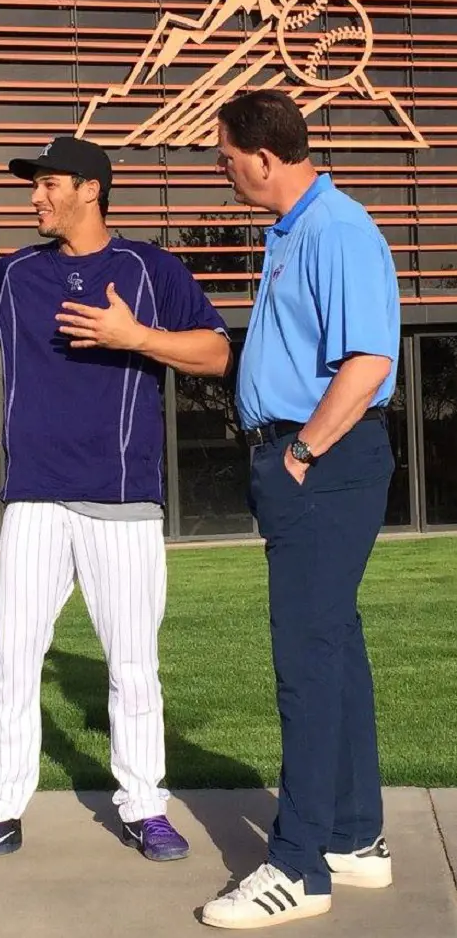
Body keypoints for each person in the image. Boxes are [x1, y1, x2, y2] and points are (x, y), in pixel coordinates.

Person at [0, 136, 232, 869]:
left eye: (47, 184)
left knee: (132, 664)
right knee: (13, 660)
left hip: (123, 497)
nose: (34, 197)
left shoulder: (149, 268)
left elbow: (217, 352)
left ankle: (144, 808)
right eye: (32, 186)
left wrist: (137, 335)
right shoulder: (12, 274)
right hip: (33, 496)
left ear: (91, 190)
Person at [201, 90, 398, 930]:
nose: (220, 169)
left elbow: (368, 358)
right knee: (335, 650)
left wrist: (299, 453)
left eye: (222, 157)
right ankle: (354, 839)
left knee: (304, 661)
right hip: (306, 460)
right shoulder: (293, 231)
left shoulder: (336, 228)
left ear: (262, 156)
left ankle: (298, 866)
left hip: (321, 460)